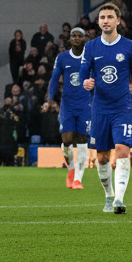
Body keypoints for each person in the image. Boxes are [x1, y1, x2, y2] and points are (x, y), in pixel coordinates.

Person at [80, 2, 132, 214]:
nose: (105, 21)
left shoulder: (129, 47)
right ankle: (108, 196)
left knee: (123, 150)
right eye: (102, 17)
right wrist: (85, 82)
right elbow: (83, 74)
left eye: (109, 17)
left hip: (122, 108)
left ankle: (119, 199)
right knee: (102, 158)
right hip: (99, 109)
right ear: (98, 22)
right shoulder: (90, 47)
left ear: (118, 20)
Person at [49, 28, 92, 189]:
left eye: (79, 35)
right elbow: (54, 79)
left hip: (85, 104)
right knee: (67, 140)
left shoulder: (90, 58)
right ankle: (71, 169)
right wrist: (50, 98)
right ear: (70, 39)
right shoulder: (62, 58)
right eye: (73, 35)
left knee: (82, 141)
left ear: (84, 39)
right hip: (67, 105)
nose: (76, 38)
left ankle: (78, 179)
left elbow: (97, 78)